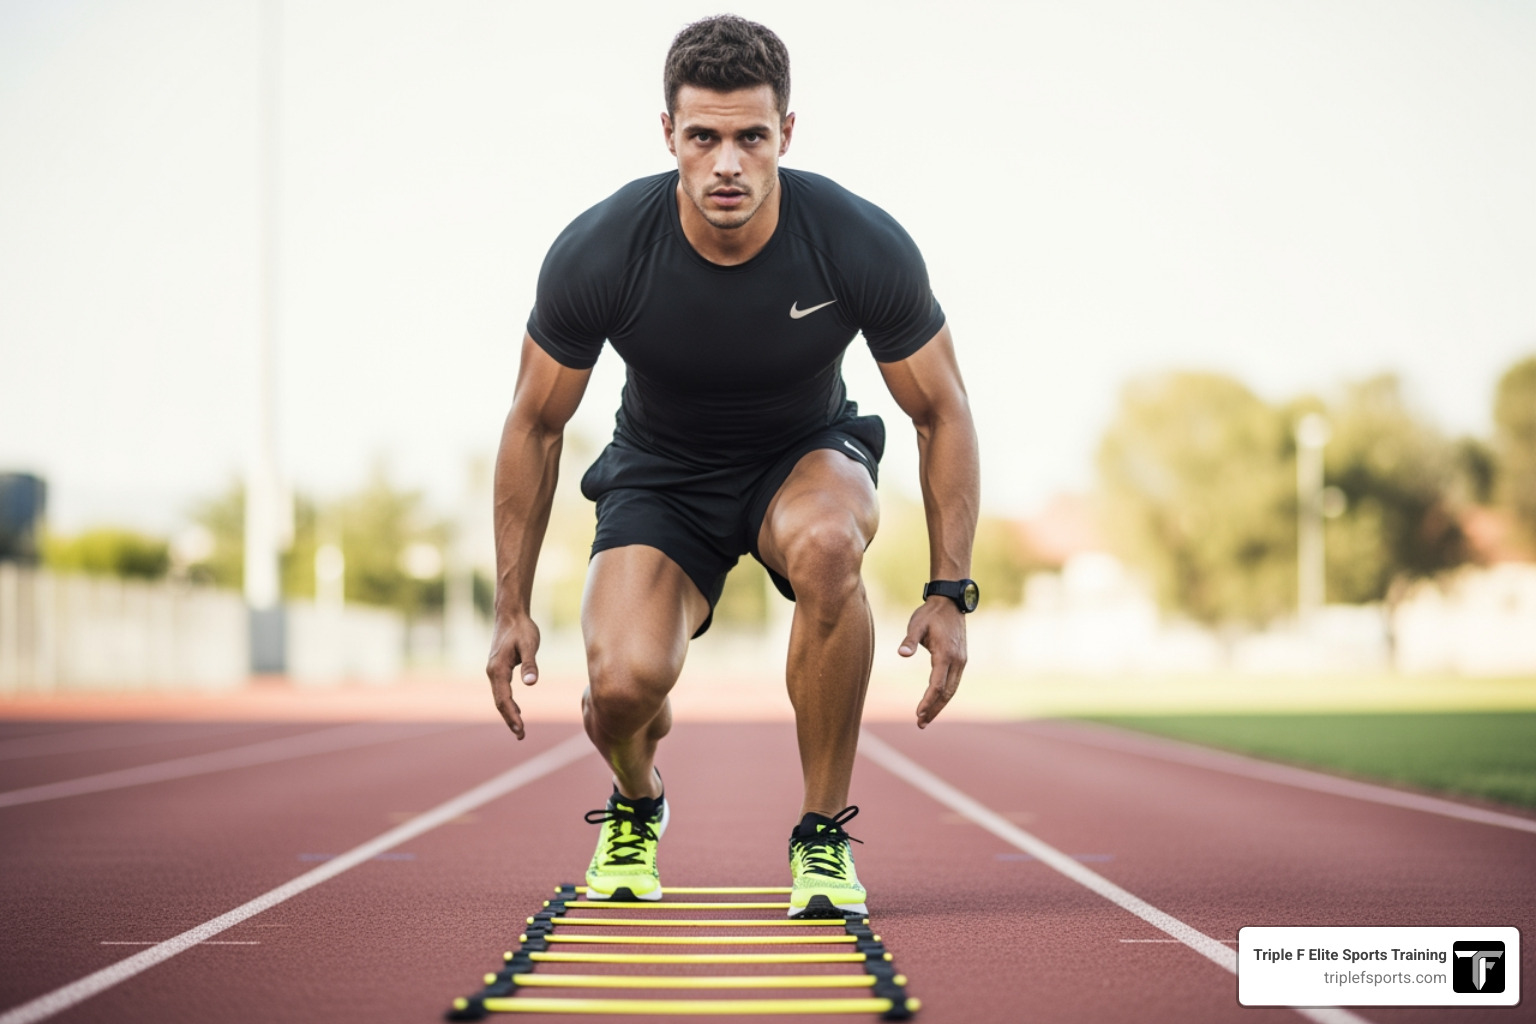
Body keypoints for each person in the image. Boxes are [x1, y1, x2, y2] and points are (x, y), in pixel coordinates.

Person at [486, 14, 980, 919]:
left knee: (832, 542)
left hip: (803, 460)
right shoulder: (601, 250)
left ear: (785, 134)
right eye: (703, 137)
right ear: (667, 134)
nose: (726, 163)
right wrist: (509, 605)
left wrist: (951, 592)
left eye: (751, 137)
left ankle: (822, 837)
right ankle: (638, 801)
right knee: (621, 688)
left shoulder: (855, 240)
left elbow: (940, 409)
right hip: (661, 477)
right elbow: (535, 425)